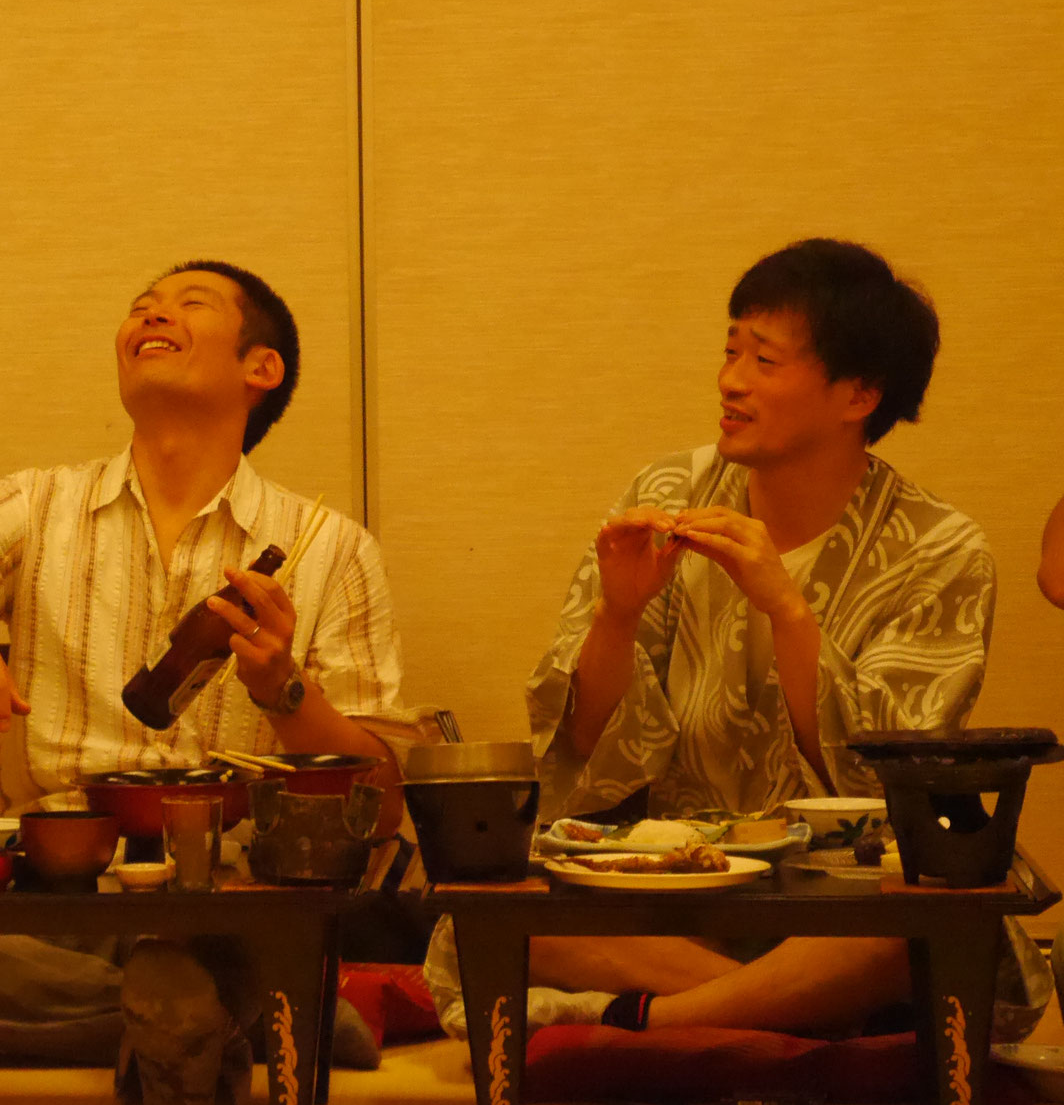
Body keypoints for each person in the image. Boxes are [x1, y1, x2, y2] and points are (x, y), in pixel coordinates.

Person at [0, 261, 433, 1105]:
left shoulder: (329, 547)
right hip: (52, 889)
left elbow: (382, 805)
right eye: (141, 307)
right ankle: (237, 1012)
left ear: (261, 368)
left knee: (240, 934)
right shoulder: (34, 505)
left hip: (229, 890)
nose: (152, 315)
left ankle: (192, 999)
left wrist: (282, 688)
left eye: (190, 304)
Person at [428, 238, 1048, 1040]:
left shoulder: (939, 549)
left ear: (858, 393)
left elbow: (895, 775)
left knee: (906, 936)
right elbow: (581, 750)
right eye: (730, 351)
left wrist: (788, 610)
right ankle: (782, 1014)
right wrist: (617, 616)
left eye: (764, 359)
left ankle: (643, 1025)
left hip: (848, 901)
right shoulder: (670, 492)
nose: (731, 380)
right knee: (495, 915)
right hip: (673, 892)